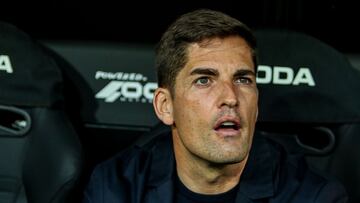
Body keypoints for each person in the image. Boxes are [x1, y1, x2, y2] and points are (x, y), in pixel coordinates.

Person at [83, 9, 348, 203]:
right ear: (165, 106)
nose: (231, 97)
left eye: (243, 79)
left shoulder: (314, 196)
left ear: (256, 104)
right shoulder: (116, 188)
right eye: (204, 80)